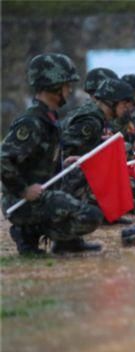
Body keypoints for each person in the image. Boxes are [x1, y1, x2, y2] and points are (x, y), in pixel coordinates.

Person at [1, 53, 103, 255]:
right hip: (22, 201)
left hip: (41, 193)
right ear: (53, 85)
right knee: (91, 215)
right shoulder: (32, 122)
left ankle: (59, 240)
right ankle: (27, 231)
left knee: (80, 180)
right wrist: (23, 190)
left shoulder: (49, 118)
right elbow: (3, 160)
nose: (70, 90)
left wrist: (64, 163)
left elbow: (40, 160)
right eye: (66, 85)